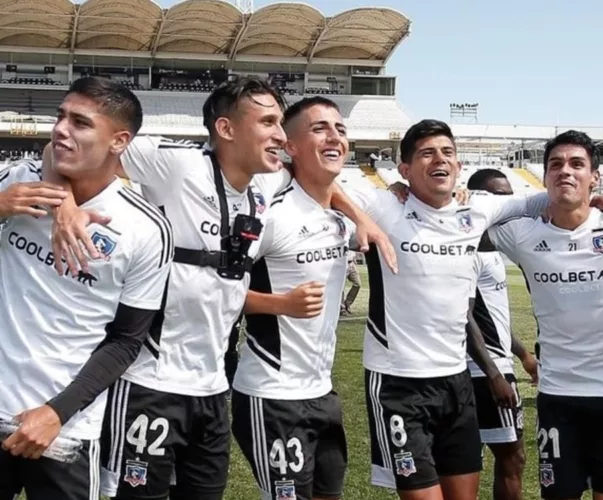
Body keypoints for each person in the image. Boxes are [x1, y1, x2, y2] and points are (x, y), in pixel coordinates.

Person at [45, 77, 395, 500]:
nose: (281, 136)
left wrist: (363, 217)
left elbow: (328, 184)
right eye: (267, 122)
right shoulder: (177, 164)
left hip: (213, 389)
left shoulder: (267, 183)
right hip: (149, 383)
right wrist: (63, 206)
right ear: (226, 130)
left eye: (281, 123)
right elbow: (63, 149)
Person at [342, 119, 603, 500]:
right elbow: (323, 185)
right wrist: (364, 217)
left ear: (459, 165)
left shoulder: (478, 208)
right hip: (398, 381)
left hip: (456, 381)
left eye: (448, 152)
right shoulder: (384, 203)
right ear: (404, 169)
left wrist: (594, 200)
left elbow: (549, 199)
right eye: (427, 153)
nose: (440, 160)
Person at [482, 130, 603, 500]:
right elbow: (458, 225)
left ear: (595, 176)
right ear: (544, 178)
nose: (565, 171)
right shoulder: (522, 234)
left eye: (577, 164)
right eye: (555, 165)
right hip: (558, 395)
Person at [0, 77, 172, 500]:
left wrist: (56, 413)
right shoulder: (14, 183)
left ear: (119, 140)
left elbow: (126, 341)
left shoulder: (146, 229)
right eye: (60, 116)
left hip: (66, 432)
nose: (60, 129)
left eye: (80, 122)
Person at [231, 96, 355, 500]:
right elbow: (210, 288)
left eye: (340, 128)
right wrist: (279, 304)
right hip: (271, 394)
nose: (334, 136)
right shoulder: (270, 215)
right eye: (319, 128)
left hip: (322, 392)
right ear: (291, 147)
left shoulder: (341, 216)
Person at [464, 168, 538, 500]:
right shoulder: (471, 249)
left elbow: (491, 318)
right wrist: (495, 373)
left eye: (510, 196)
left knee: (487, 459)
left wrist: (522, 354)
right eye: (499, 196)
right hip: (482, 370)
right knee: (511, 457)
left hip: (491, 365)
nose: (507, 204)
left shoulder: (491, 246)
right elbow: (462, 315)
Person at [341, 250, 361, 315]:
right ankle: (342, 308)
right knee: (341, 287)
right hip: (342, 263)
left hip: (352, 263)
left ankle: (347, 303)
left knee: (358, 284)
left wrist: (354, 258)